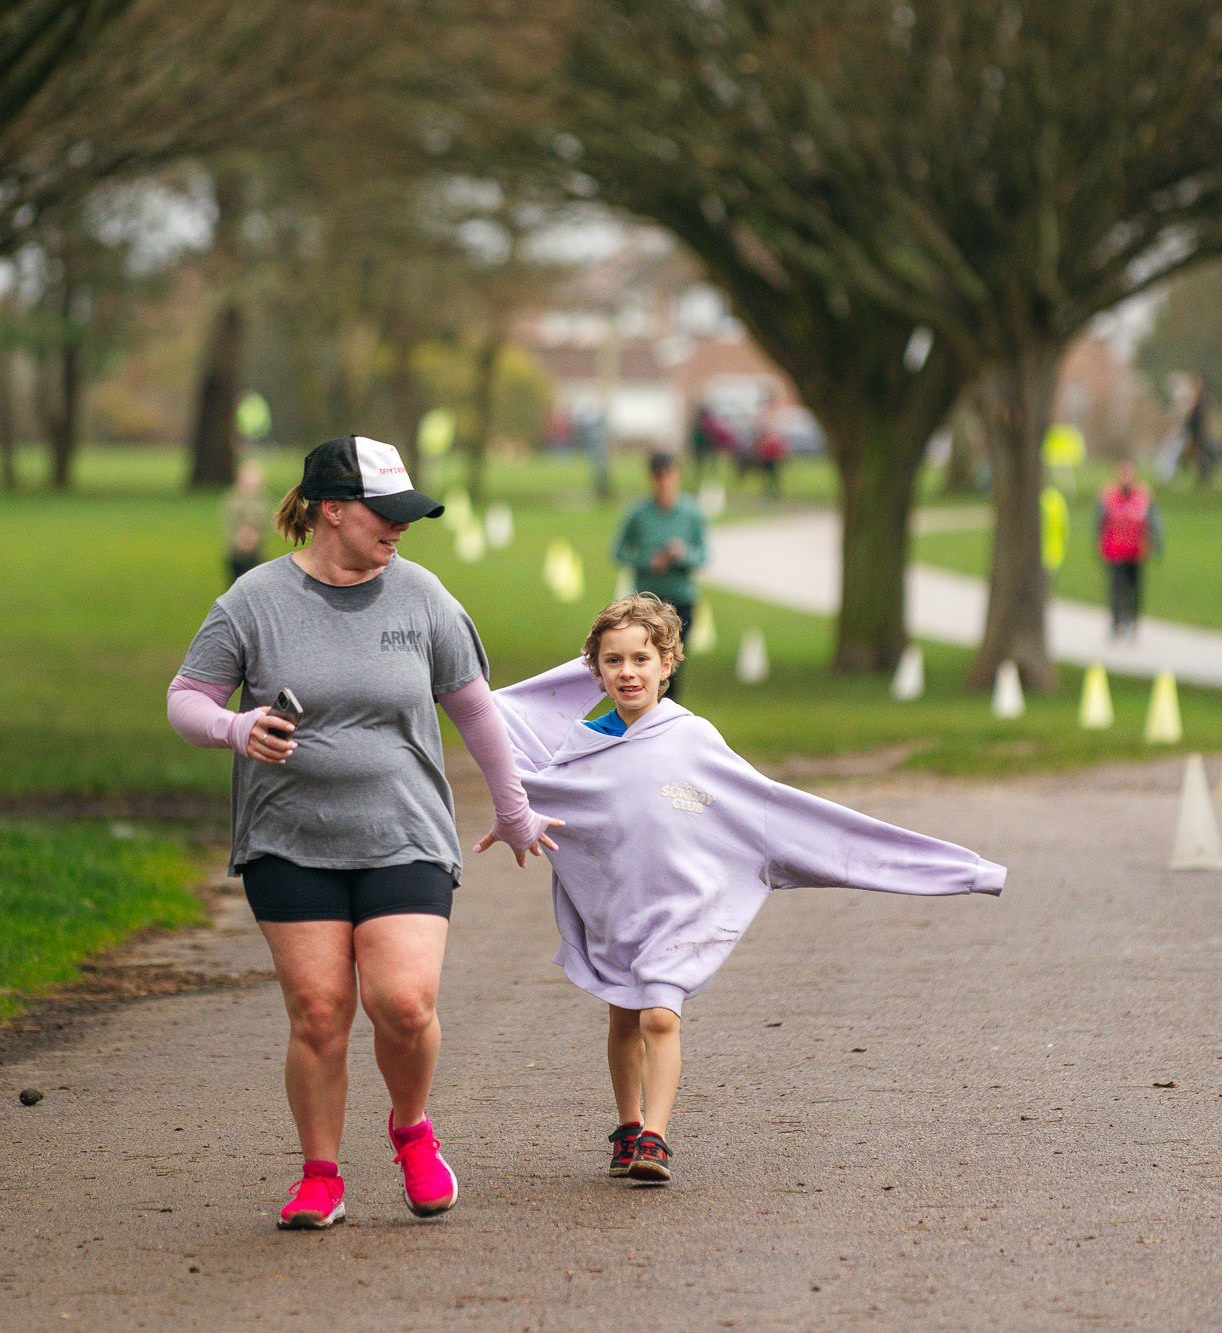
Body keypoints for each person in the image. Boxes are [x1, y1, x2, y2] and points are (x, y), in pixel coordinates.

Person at [166, 434, 560, 1231]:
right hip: (290, 837)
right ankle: (320, 1174)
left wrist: (512, 807)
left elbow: (476, 708)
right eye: (385, 515)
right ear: (331, 510)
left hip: (405, 832)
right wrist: (237, 728)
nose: (399, 529)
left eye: (405, 516)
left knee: (404, 1002)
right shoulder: (253, 601)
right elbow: (186, 699)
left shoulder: (421, 597)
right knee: (319, 1010)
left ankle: (411, 1129)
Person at [487, 595, 1006, 1185]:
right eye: (612, 661)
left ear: (668, 663)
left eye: (641, 658)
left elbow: (764, 809)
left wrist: (963, 873)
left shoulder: (692, 739)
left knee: (659, 1015)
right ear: (595, 670)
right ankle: (627, 1124)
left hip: (680, 910)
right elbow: (513, 748)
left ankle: (655, 1137)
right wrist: (515, 813)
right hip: (617, 907)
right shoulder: (578, 747)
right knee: (624, 1018)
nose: (627, 672)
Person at [611, 452, 707, 700]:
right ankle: (646, 709)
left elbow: (703, 556)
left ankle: (669, 713)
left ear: (677, 476)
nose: (663, 482)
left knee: (672, 664)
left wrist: (682, 555)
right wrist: (646, 561)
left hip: (680, 599)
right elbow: (618, 552)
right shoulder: (639, 513)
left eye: (668, 476)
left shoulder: (691, 513)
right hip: (647, 600)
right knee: (645, 659)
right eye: (658, 476)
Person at [1096, 461, 1162, 641]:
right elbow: (1100, 521)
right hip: (1115, 549)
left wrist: (1156, 543)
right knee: (1117, 588)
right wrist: (1098, 542)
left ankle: (1133, 621)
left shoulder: (1143, 495)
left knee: (1134, 588)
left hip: (1136, 550)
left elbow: (1153, 521)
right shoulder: (1108, 495)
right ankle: (1116, 623)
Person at [220, 457, 270, 585]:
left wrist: (255, 536)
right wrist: (239, 539)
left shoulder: (262, 500)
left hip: (256, 552)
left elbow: (264, 522)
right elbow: (229, 523)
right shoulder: (233, 499)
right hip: (236, 553)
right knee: (236, 583)